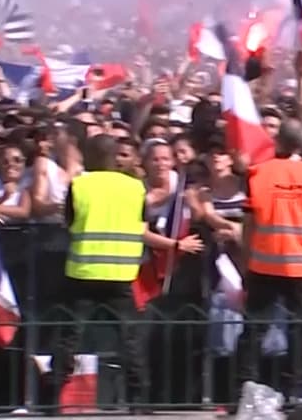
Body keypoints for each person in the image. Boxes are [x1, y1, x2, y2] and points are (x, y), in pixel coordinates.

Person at [51, 134, 202, 411]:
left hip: (83, 273)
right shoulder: (135, 188)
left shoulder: (79, 185)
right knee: (131, 339)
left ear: (91, 156)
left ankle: (52, 399)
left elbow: (69, 223)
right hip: (122, 275)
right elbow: (141, 228)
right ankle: (139, 401)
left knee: (69, 337)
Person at [238, 119, 302, 401]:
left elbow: (248, 226)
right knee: (301, 332)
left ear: (277, 141)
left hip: (264, 264)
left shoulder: (258, 173)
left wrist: (245, 263)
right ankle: (296, 393)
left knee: (254, 330)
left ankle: (244, 389)